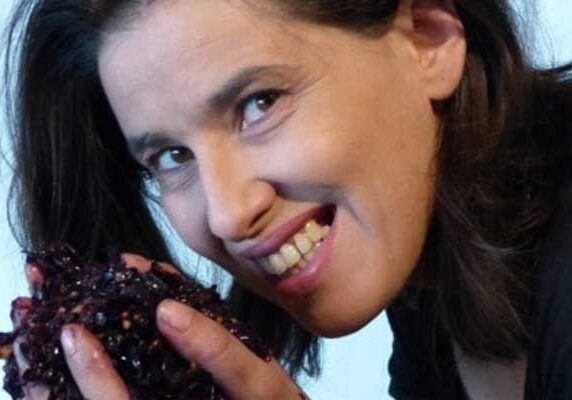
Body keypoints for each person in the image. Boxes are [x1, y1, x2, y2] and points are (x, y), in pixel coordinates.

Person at [3, 0, 572, 398]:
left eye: (260, 103)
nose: (227, 214)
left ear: (427, 37)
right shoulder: (432, 284)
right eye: (172, 157)